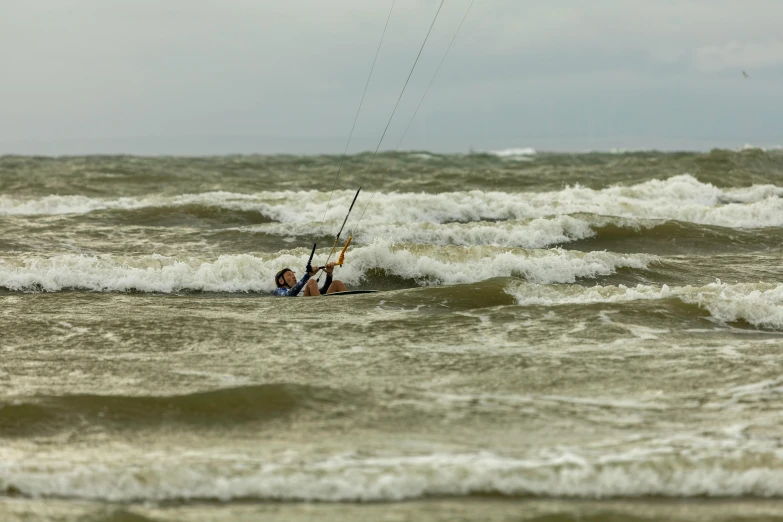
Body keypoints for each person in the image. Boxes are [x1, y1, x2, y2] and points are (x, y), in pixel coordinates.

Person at [273, 261, 348, 297]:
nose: (293, 276)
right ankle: (322, 305)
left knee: (336, 283)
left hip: (316, 302)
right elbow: (290, 294)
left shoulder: (300, 291)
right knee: (311, 282)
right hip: (303, 310)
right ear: (281, 281)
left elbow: (323, 292)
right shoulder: (278, 291)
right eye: (289, 275)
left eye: (293, 274)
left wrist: (329, 274)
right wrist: (308, 275)